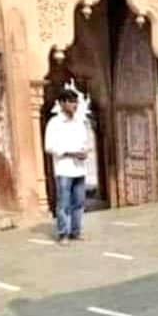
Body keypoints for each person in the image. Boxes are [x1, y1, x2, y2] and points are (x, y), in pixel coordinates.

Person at [44, 89, 89, 245]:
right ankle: (63, 233)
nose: (74, 105)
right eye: (70, 101)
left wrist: (84, 152)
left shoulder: (79, 122)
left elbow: (84, 142)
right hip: (64, 169)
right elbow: (49, 146)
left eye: (75, 102)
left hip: (79, 168)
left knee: (79, 202)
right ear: (62, 103)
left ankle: (76, 231)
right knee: (63, 203)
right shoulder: (54, 123)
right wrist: (70, 153)